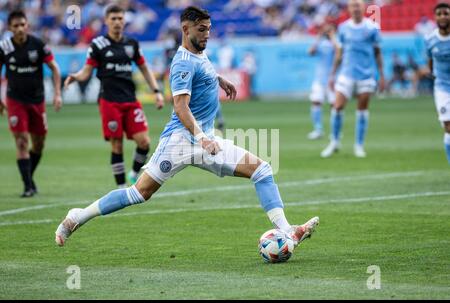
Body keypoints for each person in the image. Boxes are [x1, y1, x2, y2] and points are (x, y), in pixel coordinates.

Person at [55, 6, 319, 252]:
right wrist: (202, 138)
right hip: (180, 141)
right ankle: (77, 216)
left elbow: (200, 71)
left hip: (204, 140)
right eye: (201, 30)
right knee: (138, 193)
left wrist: (218, 79)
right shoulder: (181, 62)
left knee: (261, 170)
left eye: (208, 29)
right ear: (186, 29)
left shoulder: (199, 53)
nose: (206, 34)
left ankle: (287, 231)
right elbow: (180, 106)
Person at [64, 5, 164, 188]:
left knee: (144, 142)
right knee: (116, 145)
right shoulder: (98, 45)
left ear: (124, 20)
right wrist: (76, 77)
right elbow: (86, 71)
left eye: (120, 18)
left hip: (130, 100)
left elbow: (144, 68)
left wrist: (156, 91)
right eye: (113, 19)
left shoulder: (131, 44)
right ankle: (120, 188)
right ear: (106, 21)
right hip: (109, 101)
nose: (117, 22)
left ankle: (133, 173)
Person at [0, 10, 62, 197]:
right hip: (15, 100)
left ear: (27, 25)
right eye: (15, 26)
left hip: (37, 100)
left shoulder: (38, 45)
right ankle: (28, 186)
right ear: (10, 28)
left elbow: (54, 68)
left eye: (22, 25)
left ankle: (29, 177)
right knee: (21, 141)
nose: (19, 29)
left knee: (39, 143)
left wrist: (57, 93)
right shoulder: (4, 47)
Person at [321, 0, 385, 158]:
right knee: (337, 107)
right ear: (349, 9)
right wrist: (332, 74)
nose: (355, 8)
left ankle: (359, 145)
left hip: (366, 75)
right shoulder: (343, 28)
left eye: (358, 5)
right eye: (352, 5)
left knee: (362, 110)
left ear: (364, 8)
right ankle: (334, 142)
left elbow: (377, 52)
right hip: (346, 74)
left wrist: (382, 75)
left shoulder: (372, 28)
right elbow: (339, 53)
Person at [425, 3, 450, 164]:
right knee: (448, 126)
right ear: (435, 17)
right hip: (442, 88)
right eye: (439, 14)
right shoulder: (430, 39)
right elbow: (429, 62)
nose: (442, 17)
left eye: (446, 14)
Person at [307, 23, 338, 140]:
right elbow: (310, 52)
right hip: (319, 79)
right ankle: (318, 129)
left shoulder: (338, 43)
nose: (328, 32)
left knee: (334, 106)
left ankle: (335, 131)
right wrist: (318, 37)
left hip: (333, 80)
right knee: (316, 102)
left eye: (330, 30)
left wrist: (333, 37)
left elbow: (339, 52)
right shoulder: (321, 43)